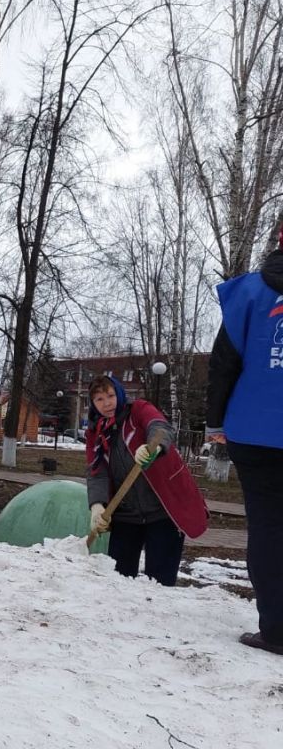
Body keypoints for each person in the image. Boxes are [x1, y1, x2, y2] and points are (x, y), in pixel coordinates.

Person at [207, 235, 283, 655]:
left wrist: (215, 422)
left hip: (255, 431)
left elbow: (224, 363)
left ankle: (276, 629)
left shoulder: (250, 292)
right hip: (255, 433)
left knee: (269, 527)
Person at [85, 375, 207, 586]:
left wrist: (154, 447)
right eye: (99, 399)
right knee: (117, 580)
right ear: (93, 404)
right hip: (125, 515)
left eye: (111, 396)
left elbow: (160, 427)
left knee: (160, 583)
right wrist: (97, 505)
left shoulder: (138, 410)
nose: (107, 403)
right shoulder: (96, 433)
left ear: (120, 394)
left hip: (163, 511)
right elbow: (97, 471)